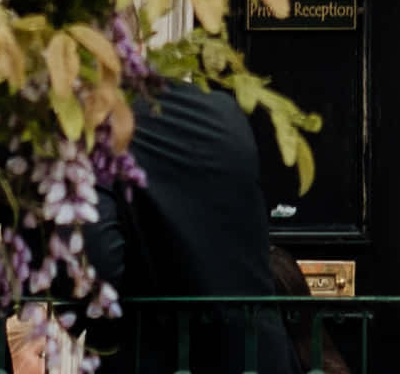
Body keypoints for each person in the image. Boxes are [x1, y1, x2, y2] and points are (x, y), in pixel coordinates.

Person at [114, 78, 302, 374]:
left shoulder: (110, 133)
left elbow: (98, 261)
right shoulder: (225, 112)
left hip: (166, 352)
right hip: (255, 351)